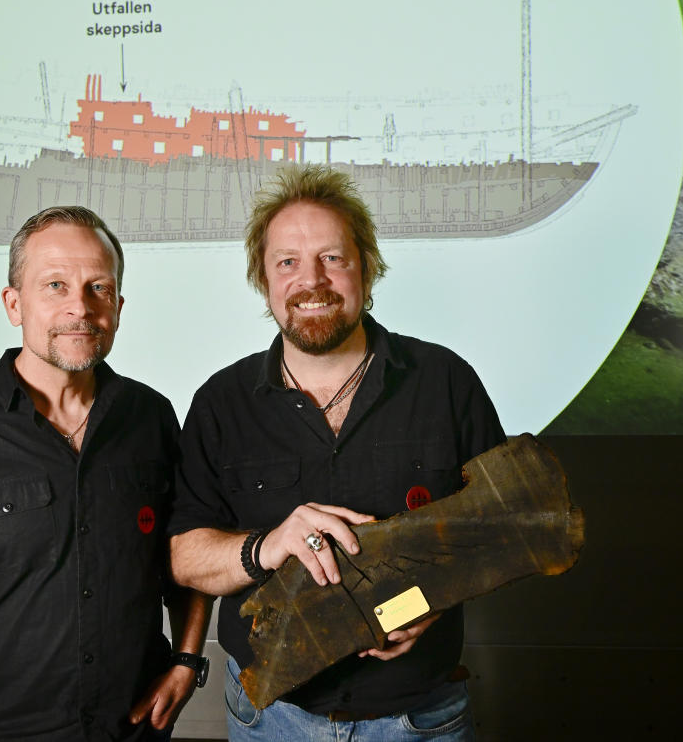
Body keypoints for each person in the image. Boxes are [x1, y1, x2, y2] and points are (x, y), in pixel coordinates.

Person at [168, 165, 505, 741]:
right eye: (288, 262)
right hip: (269, 719)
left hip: (419, 718)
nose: (311, 281)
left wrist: (436, 598)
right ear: (264, 279)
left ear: (366, 268)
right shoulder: (221, 403)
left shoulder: (445, 381)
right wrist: (269, 545)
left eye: (333, 257)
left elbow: (503, 525)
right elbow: (185, 557)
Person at [0, 206, 212, 742]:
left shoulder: (152, 418)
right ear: (13, 303)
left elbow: (192, 549)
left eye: (98, 287)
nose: (80, 307)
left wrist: (188, 659)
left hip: (135, 733)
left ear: (118, 307)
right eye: (55, 285)